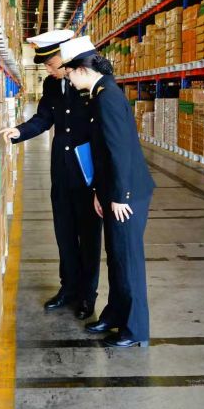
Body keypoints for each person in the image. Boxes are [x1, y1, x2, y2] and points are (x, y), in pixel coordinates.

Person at [58, 35, 155, 348]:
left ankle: (135, 329)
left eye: (69, 73)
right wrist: (101, 193)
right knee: (116, 259)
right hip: (113, 190)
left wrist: (120, 196)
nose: (68, 79)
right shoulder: (99, 93)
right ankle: (114, 314)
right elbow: (102, 154)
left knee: (128, 262)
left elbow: (119, 150)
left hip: (128, 195)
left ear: (82, 69)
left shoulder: (107, 97)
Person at [0, 29, 102, 320]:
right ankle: (68, 288)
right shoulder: (51, 84)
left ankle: (87, 295)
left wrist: (103, 182)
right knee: (64, 233)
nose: (47, 69)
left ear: (65, 57)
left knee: (89, 238)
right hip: (61, 171)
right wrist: (19, 131)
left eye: (50, 63)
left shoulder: (91, 82)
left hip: (88, 174)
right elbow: (44, 118)